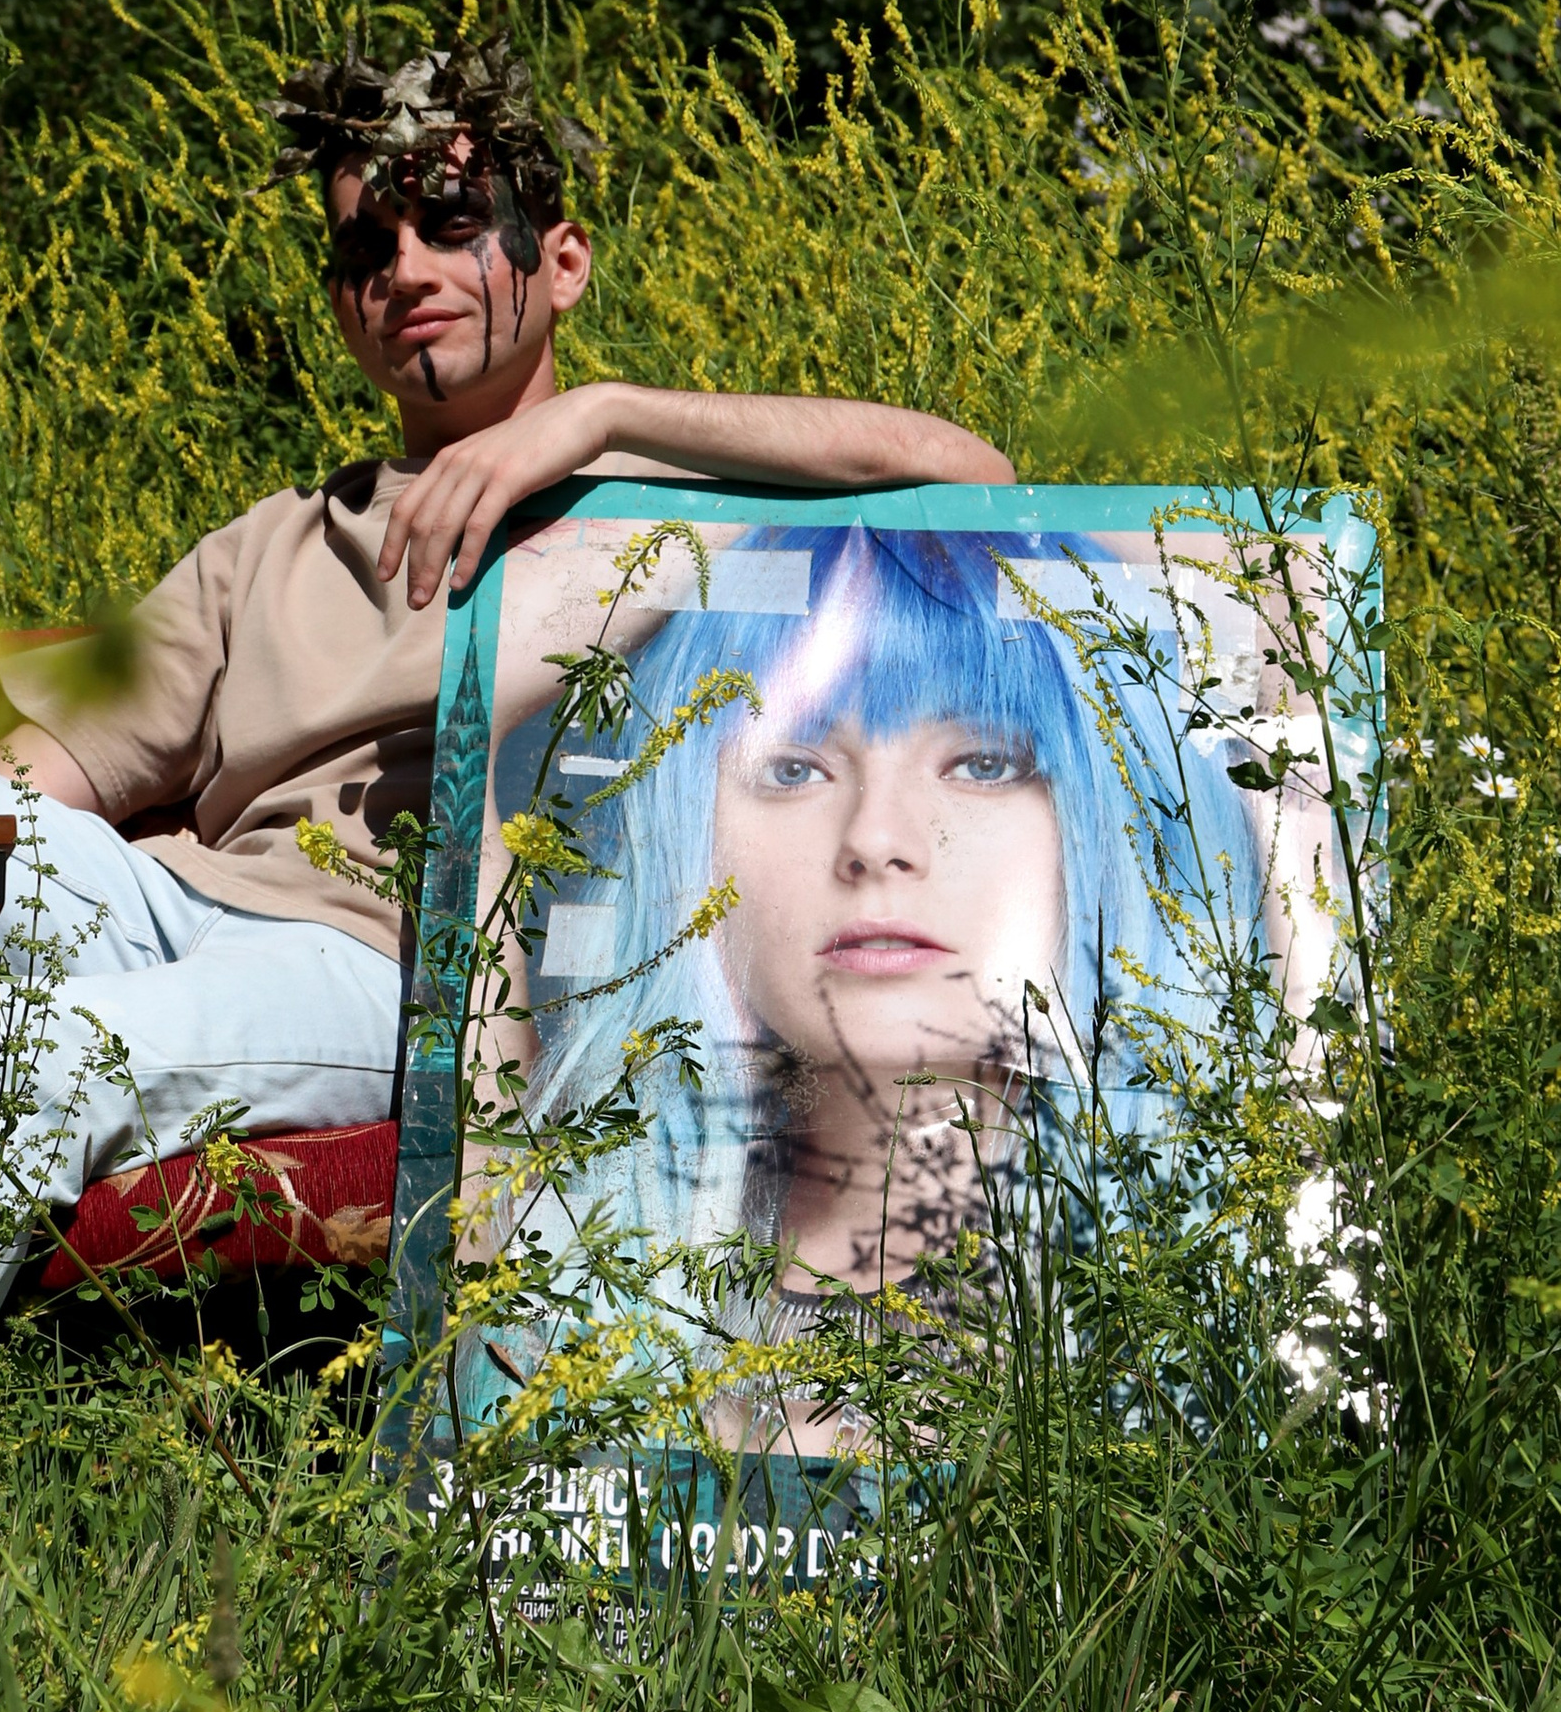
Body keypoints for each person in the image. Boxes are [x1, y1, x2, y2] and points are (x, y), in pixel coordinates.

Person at [0, 42, 1012, 1528]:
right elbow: (14, 798)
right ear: (343, 303)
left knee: (43, 1047)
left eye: (451, 225)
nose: (406, 268)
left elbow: (971, 476)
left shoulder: (668, 516)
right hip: (169, 908)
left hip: (397, 971)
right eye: (366, 248)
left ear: (561, 261)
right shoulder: (273, 544)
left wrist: (595, 421)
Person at [512, 522, 1275, 1407]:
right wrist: (741, 527)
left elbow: (1296, 594)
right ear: (687, 834)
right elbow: (467, 654)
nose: (876, 839)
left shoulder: (1225, 1258)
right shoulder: (567, 1244)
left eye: (983, 763)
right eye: (792, 769)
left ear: (1108, 821)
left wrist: (971, 506)